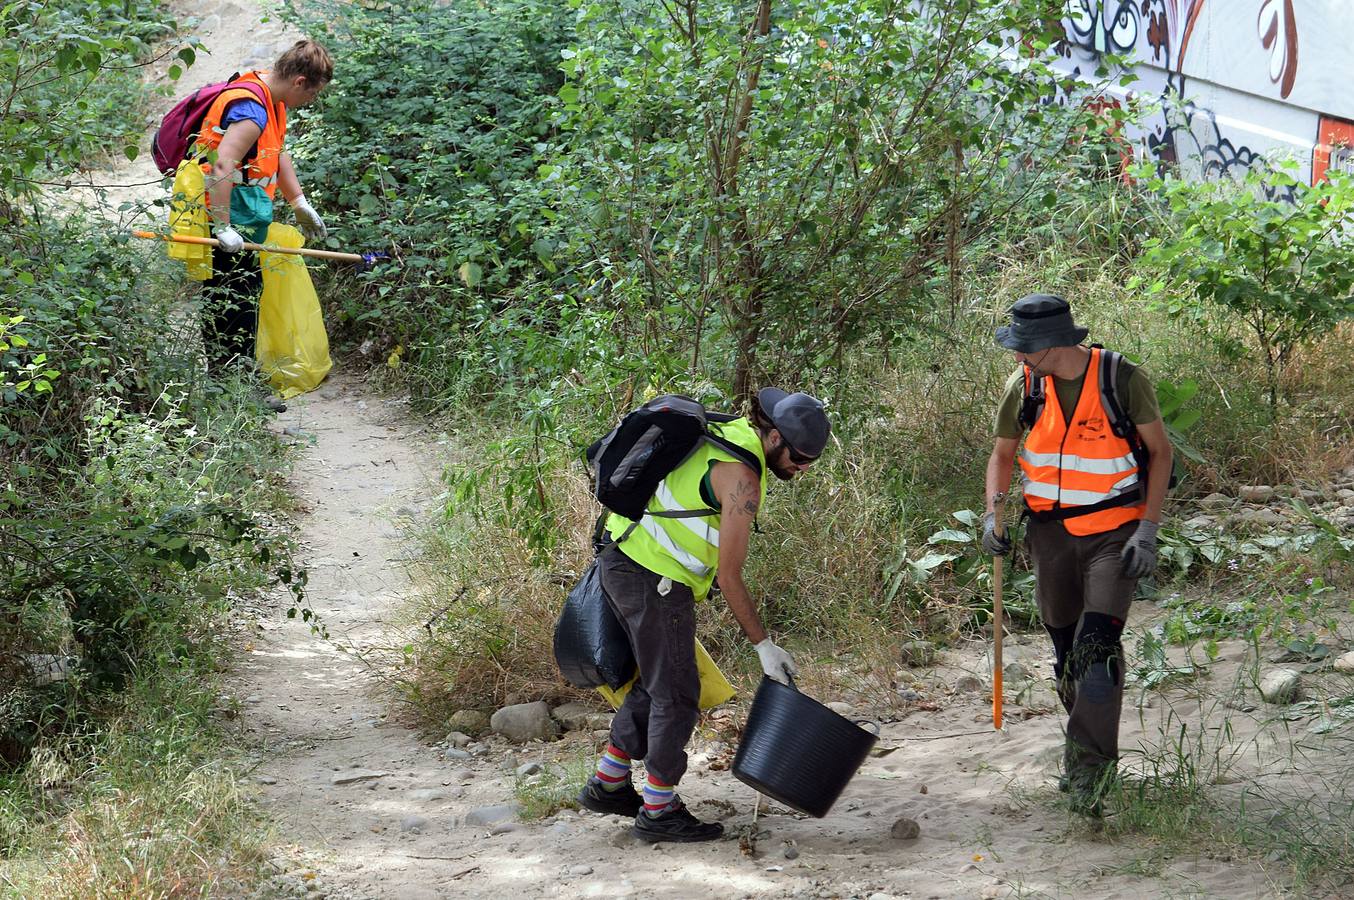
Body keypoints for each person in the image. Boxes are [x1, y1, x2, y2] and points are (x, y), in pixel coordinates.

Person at [577, 388, 831, 842]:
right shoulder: (743, 479)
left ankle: (610, 783)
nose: (804, 468)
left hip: (623, 557)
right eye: (800, 457)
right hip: (655, 577)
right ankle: (658, 811)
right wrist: (764, 647)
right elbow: (730, 577)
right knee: (676, 694)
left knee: (658, 682)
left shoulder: (728, 432)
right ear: (774, 437)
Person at [982, 293, 1172, 815]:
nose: (1018, 358)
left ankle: (1089, 775)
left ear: (1051, 344)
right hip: (1050, 537)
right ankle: (1085, 750)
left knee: (1096, 651)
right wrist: (992, 516)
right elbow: (1001, 455)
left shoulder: (1121, 379)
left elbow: (1160, 453)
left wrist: (1148, 529)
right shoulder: (1023, 387)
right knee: (1067, 653)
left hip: (1115, 534)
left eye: (1024, 349)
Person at [194, 40, 333, 393]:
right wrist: (222, 226)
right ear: (300, 81)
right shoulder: (250, 108)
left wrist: (299, 201)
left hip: (246, 215)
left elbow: (277, 152)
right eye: (313, 93)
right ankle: (232, 385)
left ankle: (237, 379)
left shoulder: (273, 101)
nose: (311, 101)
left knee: (246, 294)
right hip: (222, 214)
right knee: (231, 300)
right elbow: (223, 164)